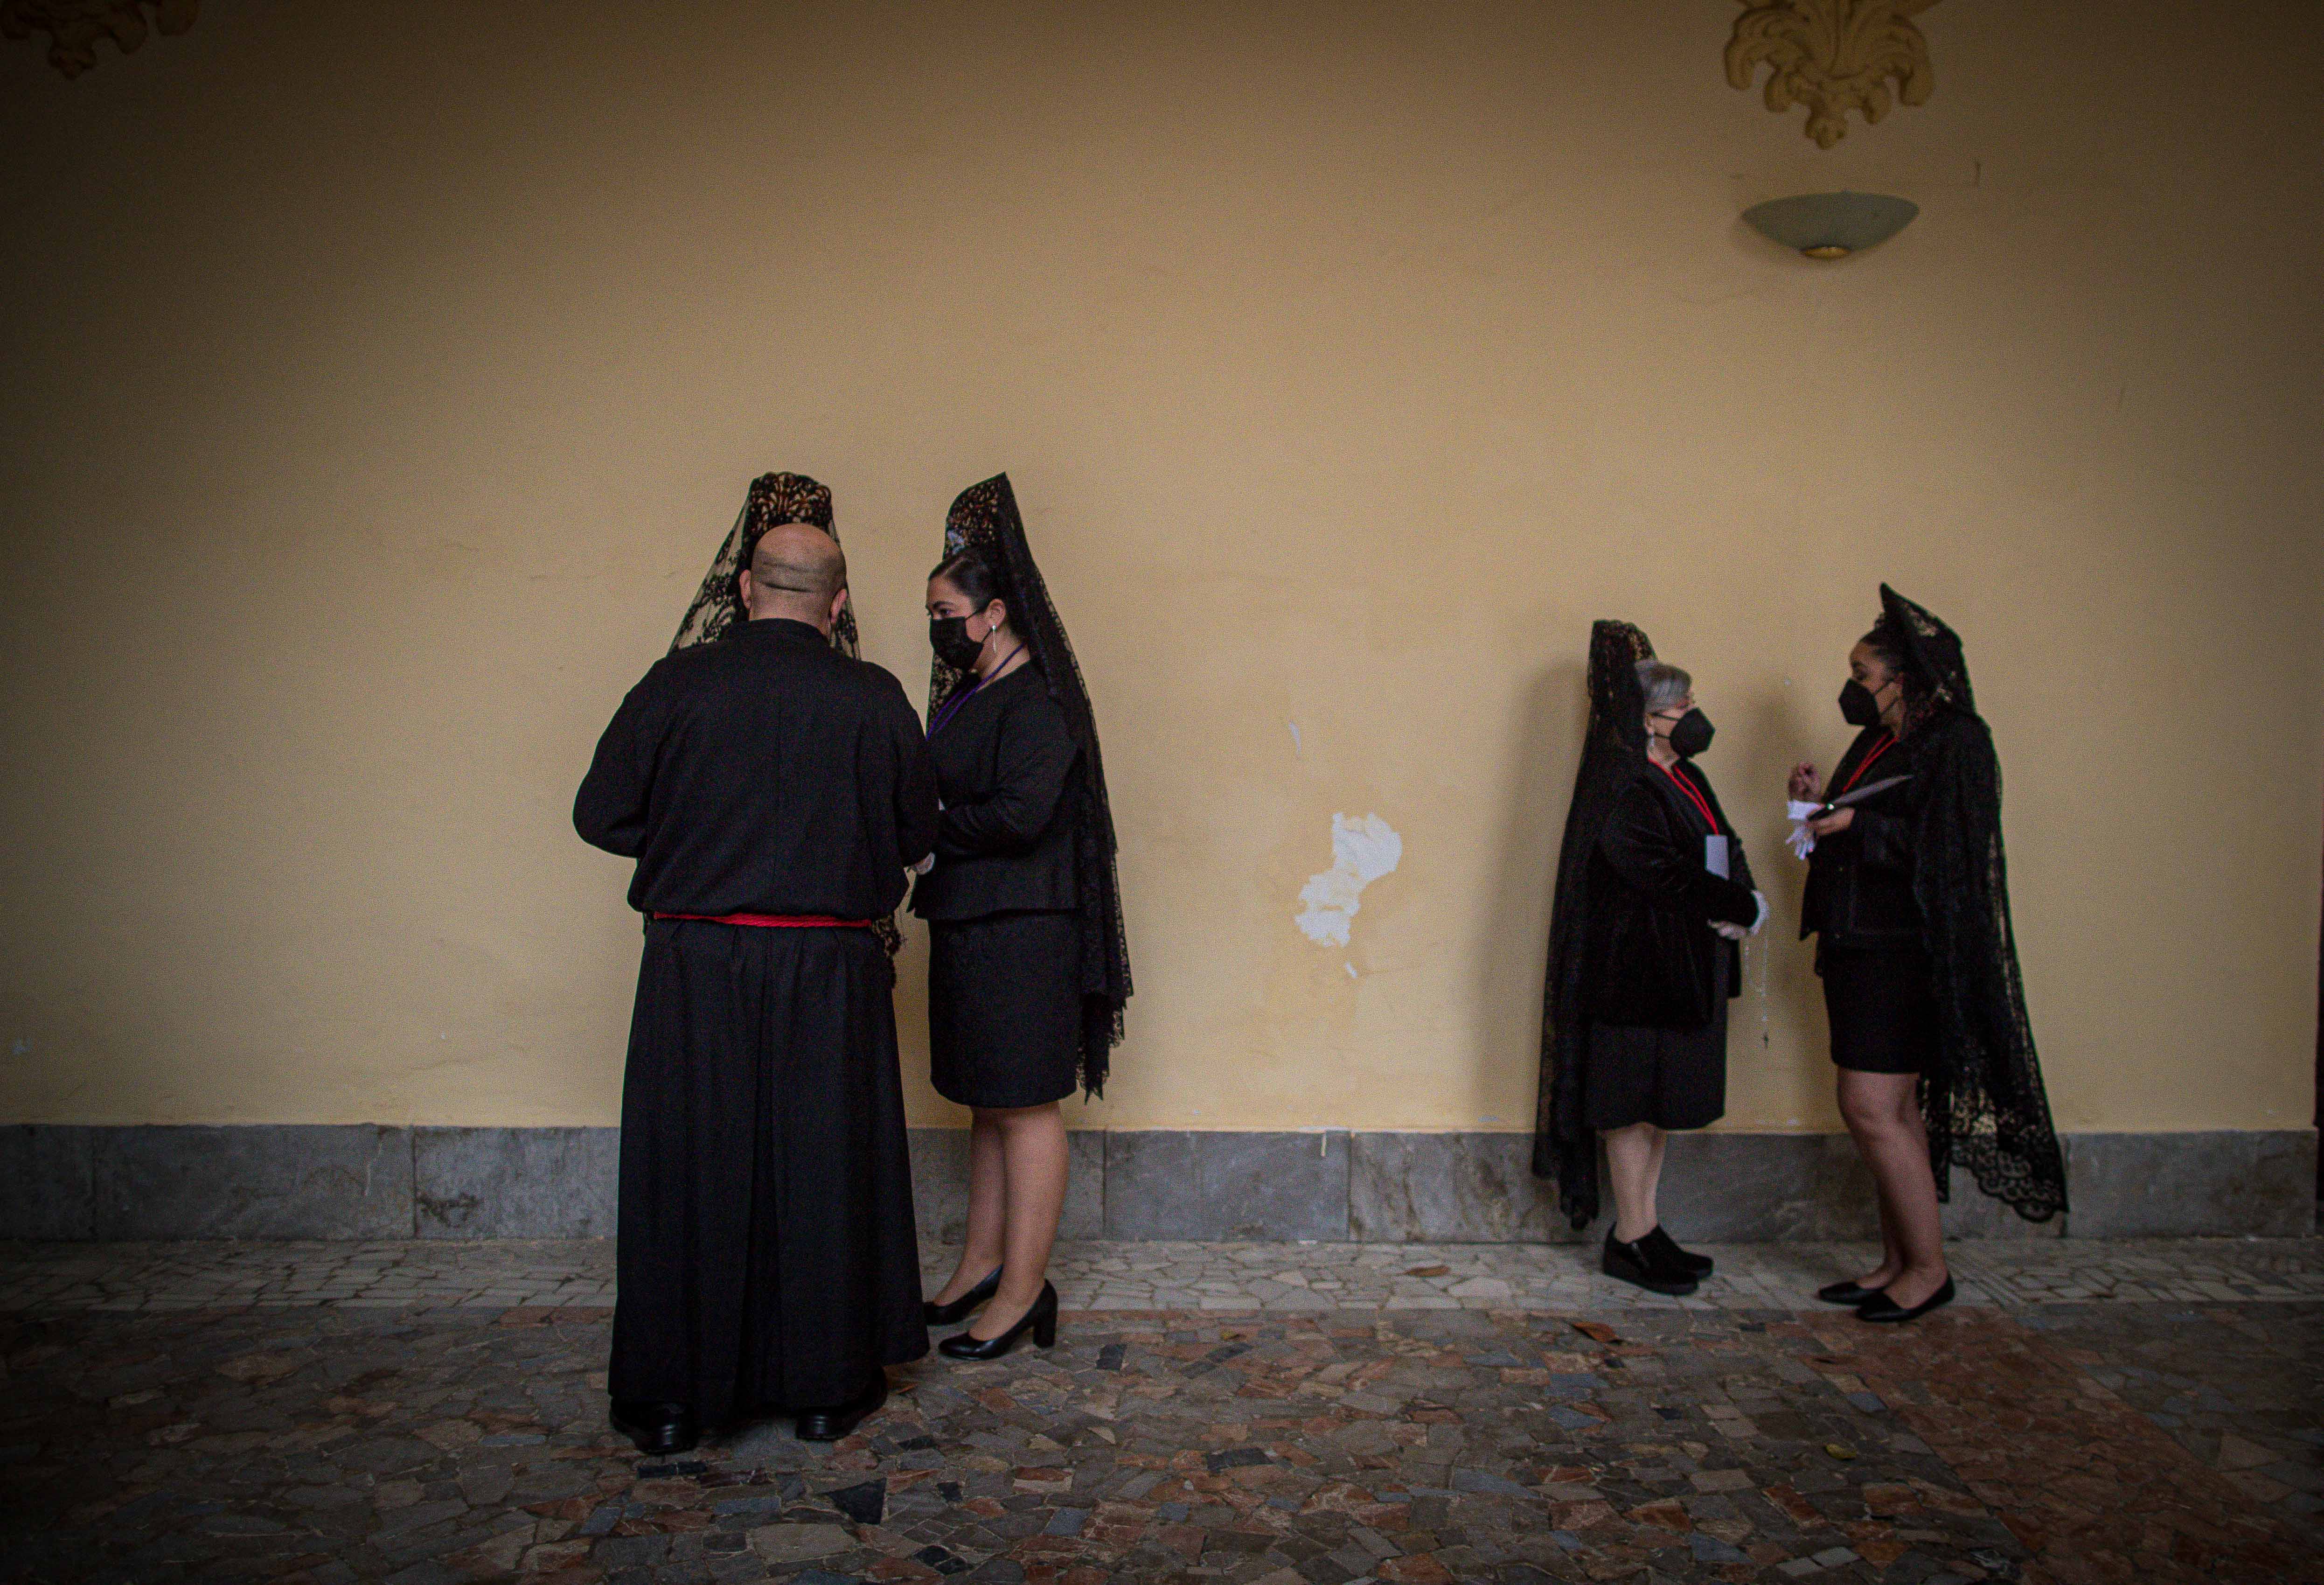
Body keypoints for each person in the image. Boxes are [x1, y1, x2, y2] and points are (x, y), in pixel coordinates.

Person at [573, 481, 937, 1452]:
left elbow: (599, 815)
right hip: (828, 967)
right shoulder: (873, 697)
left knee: (688, 1171)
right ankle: (822, 1394)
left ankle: (670, 1404)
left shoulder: (675, 683)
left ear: (743, 587)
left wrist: (700, 837)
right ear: (839, 603)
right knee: (823, 1171)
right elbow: (914, 831)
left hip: (697, 964)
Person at [1791, 585, 2066, 1323]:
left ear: (1902, 677)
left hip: (1901, 951)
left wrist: (1859, 827)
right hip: (1856, 941)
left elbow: (1955, 852)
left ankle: (1929, 1271)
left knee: (1870, 1105)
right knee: (1894, 1110)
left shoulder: (1958, 741)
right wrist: (1817, 804)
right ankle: (1896, 1261)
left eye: (1861, 675)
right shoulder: (1883, 738)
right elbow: (1863, 821)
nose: (1852, 688)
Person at [912, 473, 1131, 1361]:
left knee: (1026, 1105)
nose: (936, 626)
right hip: (973, 920)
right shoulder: (972, 694)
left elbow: (1021, 815)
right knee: (988, 1103)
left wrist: (927, 831)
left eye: (944, 610)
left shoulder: (1036, 700)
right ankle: (978, 1265)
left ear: (995, 611)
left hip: (1025, 928)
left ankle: (1022, 1292)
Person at [1533, 624, 1766, 1295]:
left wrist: (1743, 893)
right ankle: (1630, 1236)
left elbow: (1718, 843)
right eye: (1682, 707)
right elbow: (1656, 868)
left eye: (1694, 702)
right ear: (1645, 718)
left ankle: (1643, 1227)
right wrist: (1742, 905)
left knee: (1658, 1106)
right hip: (1633, 975)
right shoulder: (1623, 782)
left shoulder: (1683, 775)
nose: (1695, 717)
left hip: (1680, 969)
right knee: (1631, 1106)